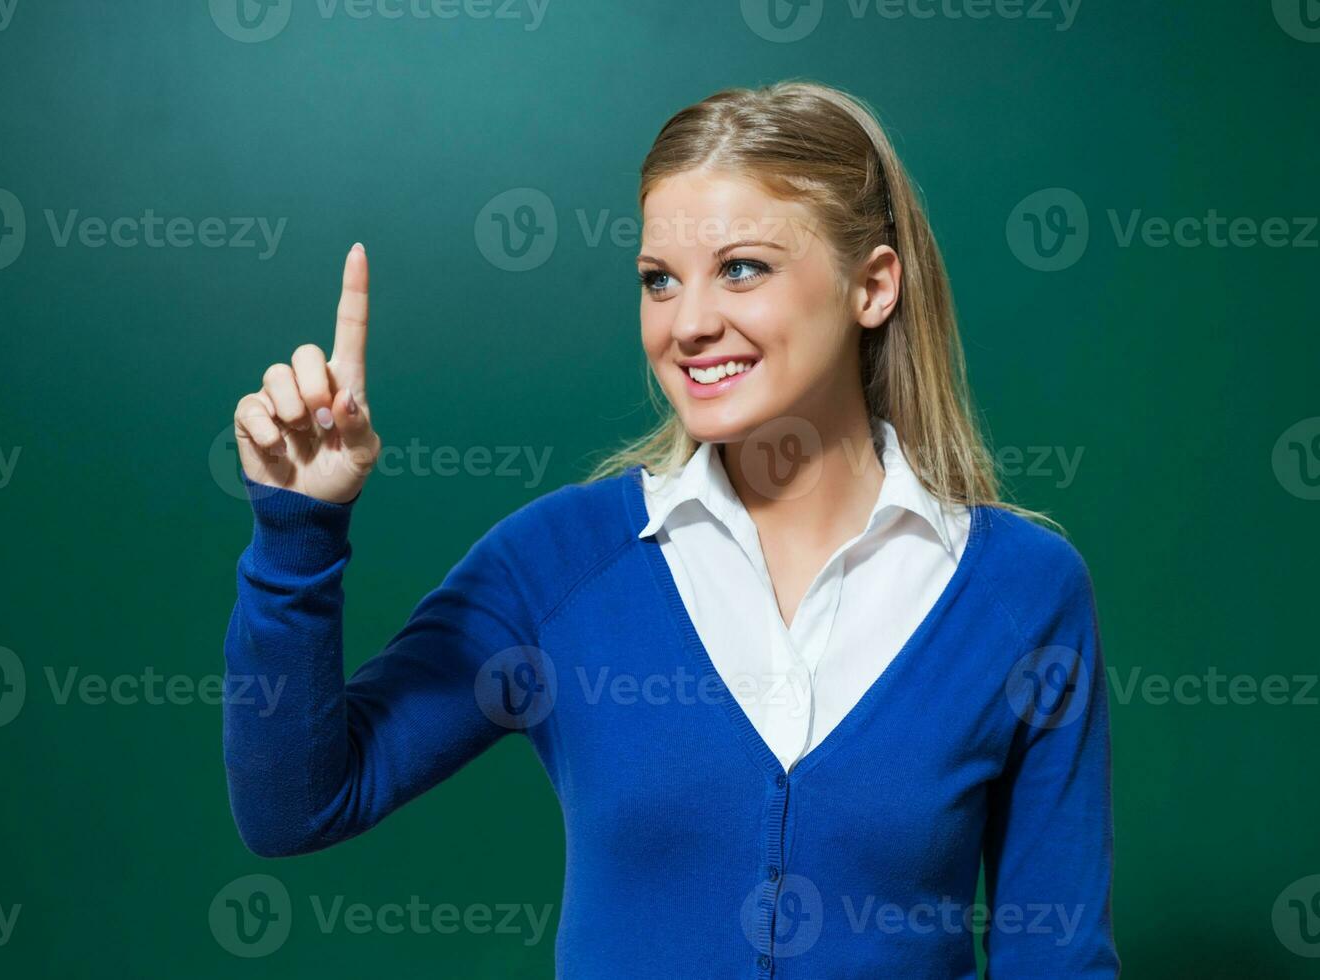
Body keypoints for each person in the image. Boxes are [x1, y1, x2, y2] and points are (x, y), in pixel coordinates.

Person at [223, 80, 1118, 977]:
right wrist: (298, 529)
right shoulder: (558, 567)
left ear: (872, 287)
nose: (688, 324)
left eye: (742, 268)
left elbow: (1059, 959)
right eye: (660, 280)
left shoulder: (1022, 592)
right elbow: (296, 807)